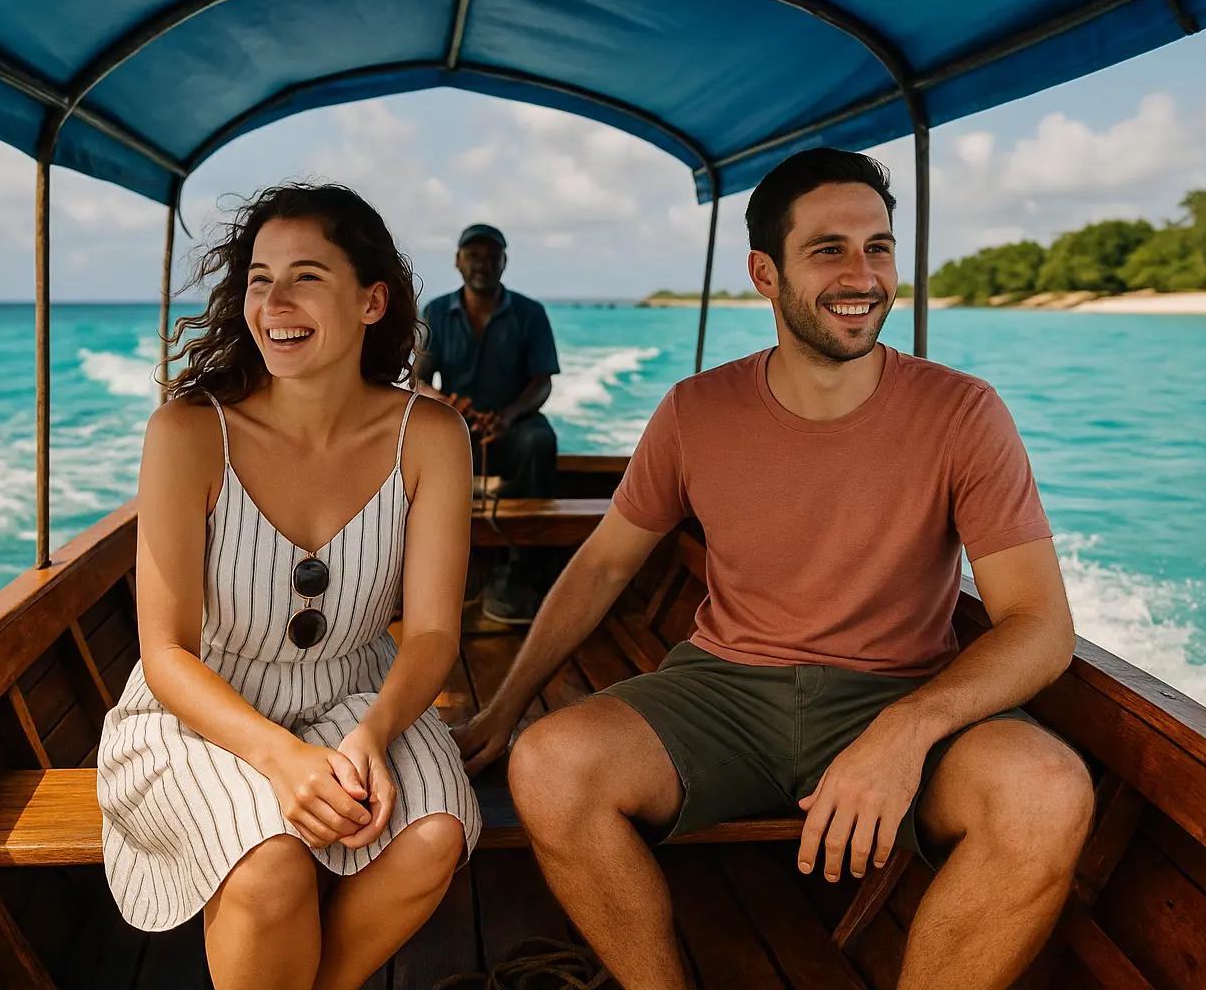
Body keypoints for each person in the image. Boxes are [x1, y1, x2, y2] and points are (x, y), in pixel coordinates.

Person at [453, 149, 1093, 990]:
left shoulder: (962, 413)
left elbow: (1040, 624)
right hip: (720, 691)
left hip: (899, 689)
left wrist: (906, 730)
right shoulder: (695, 412)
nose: (862, 274)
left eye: (880, 246)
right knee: (549, 763)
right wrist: (504, 707)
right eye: (829, 249)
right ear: (765, 272)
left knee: (1047, 791)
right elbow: (605, 566)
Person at [97, 183, 481, 990]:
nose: (274, 301)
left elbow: (437, 634)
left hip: (358, 697)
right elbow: (164, 652)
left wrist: (371, 734)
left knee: (435, 835)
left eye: (305, 275)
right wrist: (281, 760)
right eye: (260, 278)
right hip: (200, 712)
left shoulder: (432, 435)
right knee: (270, 863)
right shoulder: (188, 433)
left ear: (372, 301)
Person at [415, 223, 561, 625]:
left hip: (513, 423)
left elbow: (542, 381)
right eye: (473, 254)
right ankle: (431, 570)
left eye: (492, 255)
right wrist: (445, 404)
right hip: (456, 423)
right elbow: (419, 380)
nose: (483, 263)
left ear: (505, 262)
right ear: (458, 262)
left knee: (538, 442)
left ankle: (520, 574)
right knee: (412, 442)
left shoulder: (530, 312)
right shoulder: (437, 312)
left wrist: (508, 416)